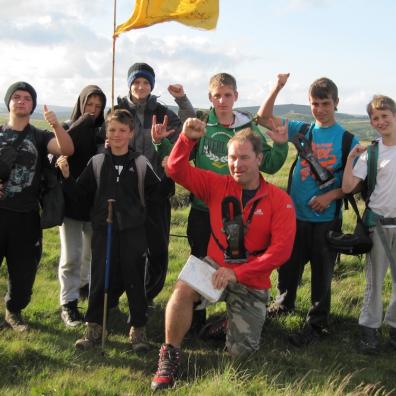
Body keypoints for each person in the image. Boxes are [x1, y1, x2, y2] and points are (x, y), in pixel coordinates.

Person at [150, 119, 296, 391]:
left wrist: (238, 273)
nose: (237, 164)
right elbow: (174, 168)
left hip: (251, 279)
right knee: (182, 289)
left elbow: (281, 252)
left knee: (242, 357)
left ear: (259, 158)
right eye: (232, 158)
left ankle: (225, 323)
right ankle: (169, 355)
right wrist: (186, 140)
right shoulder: (216, 185)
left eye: (244, 158)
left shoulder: (279, 200)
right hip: (215, 267)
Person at [162, 73, 289, 332]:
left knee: (241, 260)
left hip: (240, 213)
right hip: (203, 208)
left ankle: (236, 314)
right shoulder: (201, 125)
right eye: (217, 95)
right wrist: (180, 141)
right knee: (198, 265)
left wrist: (280, 146)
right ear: (210, 98)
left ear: (236, 97)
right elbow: (179, 164)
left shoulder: (248, 129)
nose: (222, 100)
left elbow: (272, 164)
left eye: (227, 95)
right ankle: (193, 324)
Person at [256, 74, 359, 346]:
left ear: (336, 103)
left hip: (326, 218)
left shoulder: (349, 139)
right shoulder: (301, 130)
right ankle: (284, 303)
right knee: (288, 265)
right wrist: (277, 86)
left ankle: (317, 321)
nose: (320, 109)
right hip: (295, 215)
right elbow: (263, 118)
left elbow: (357, 184)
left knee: (322, 271)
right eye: (315, 103)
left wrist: (331, 196)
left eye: (325, 103)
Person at [57, 109, 160, 351]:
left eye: (123, 130)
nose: (117, 135)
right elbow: (81, 195)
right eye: (112, 130)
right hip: (103, 230)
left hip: (133, 231)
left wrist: (170, 172)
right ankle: (93, 328)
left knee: (134, 278)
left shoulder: (140, 163)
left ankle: (138, 330)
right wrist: (67, 176)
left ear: (131, 133)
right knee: (100, 277)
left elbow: (157, 193)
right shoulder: (98, 162)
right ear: (106, 132)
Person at [0, 81, 74, 332]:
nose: (21, 101)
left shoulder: (40, 136)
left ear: (32, 105)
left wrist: (54, 124)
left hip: (27, 215)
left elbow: (67, 148)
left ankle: (14, 311)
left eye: (27, 98)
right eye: (17, 97)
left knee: (24, 271)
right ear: (8, 102)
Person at [115, 62, 191, 302]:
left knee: (157, 249)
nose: (140, 86)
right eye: (136, 82)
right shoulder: (118, 112)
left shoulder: (163, 113)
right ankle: (113, 297)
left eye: (145, 82)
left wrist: (182, 100)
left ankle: (146, 298)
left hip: (157, 190)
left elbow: (188, 125)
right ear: (129, 85)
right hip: (124, 191)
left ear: (152, 85)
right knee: (122, 249)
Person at [342, 95, 396, 353]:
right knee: (375, 280)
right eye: (375, 118)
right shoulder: (372, 152)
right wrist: (351, 158)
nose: (381, 121)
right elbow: (348, 187)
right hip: (378, 225)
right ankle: (369, 331)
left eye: (385, 116)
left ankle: (394, 328)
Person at [58, 85, 107, 327]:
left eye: (98, 107)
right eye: (89, 105)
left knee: (91, 254)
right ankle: (68, 303)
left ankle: (84, 290)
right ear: (81, 103)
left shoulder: (103, 133)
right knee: (71, 256)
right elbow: (57, 155)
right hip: (70, 201)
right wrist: (83, 122)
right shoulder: (68, 128)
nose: (93, 111)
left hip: (94, 203)